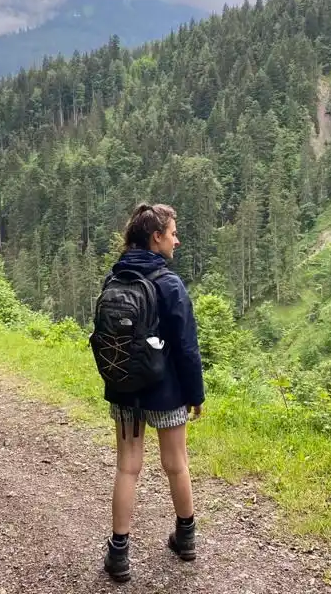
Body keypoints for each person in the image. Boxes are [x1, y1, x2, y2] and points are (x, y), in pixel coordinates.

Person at [99, 203, 205, 583]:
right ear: (156, 237)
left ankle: (119, 554)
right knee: (176, 463)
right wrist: (196, 394)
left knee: (128, 466)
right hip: (167, 390)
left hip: (125, 389)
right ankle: (186, 538)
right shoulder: (169, 283)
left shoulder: (115, 278)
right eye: (173, 232)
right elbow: (187, 347)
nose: (177, 239)